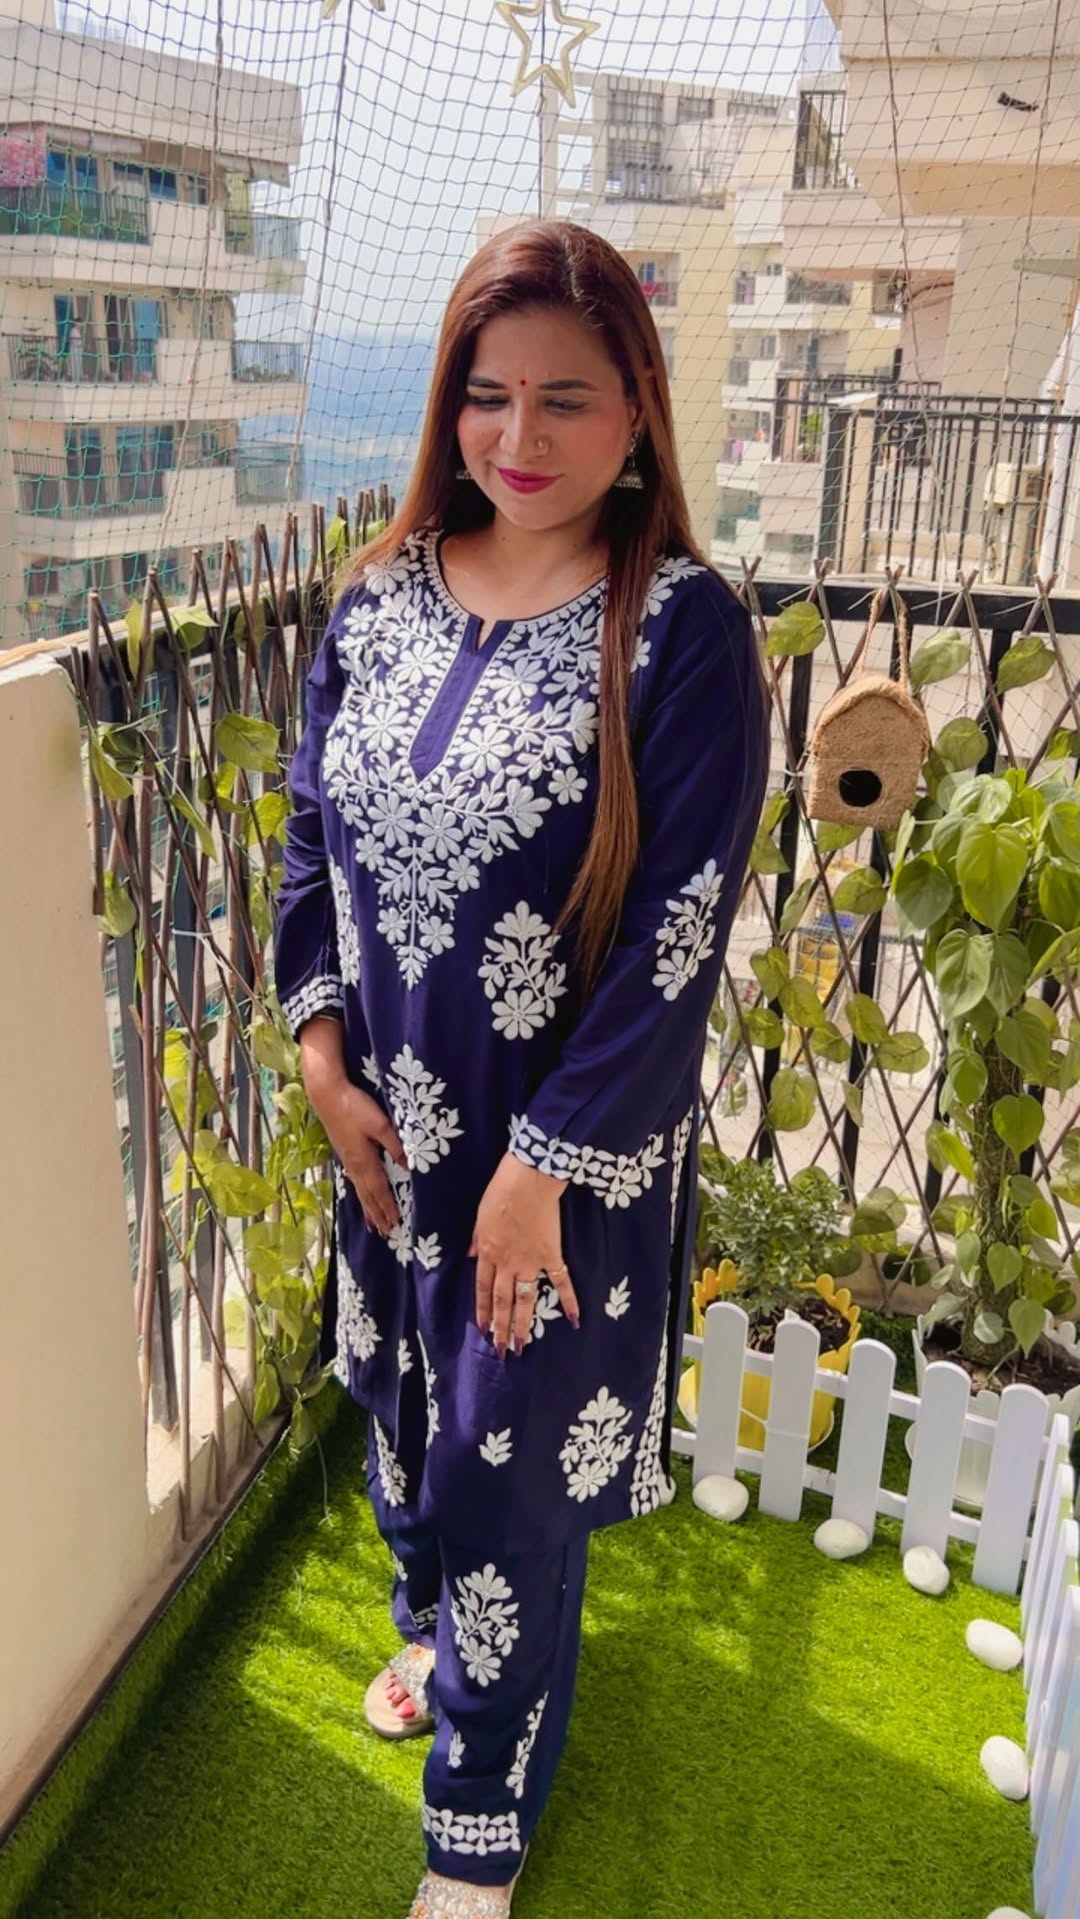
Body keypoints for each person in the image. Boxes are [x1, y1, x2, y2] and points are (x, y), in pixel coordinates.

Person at [274, 218, 769, 1919]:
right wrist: (322, 1058)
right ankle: (438, 1645)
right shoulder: (379, 597)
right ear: (448, 406)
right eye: (489, 396)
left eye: (567, 397)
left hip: (556, 1178)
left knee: (509, 1484)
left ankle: (471, 1843)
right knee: (409, 1431)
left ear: (638, 411)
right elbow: (309, 833)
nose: (521, 437)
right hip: (390, 1139)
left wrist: (538, 1174)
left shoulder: (684, 633)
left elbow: (678, 934)